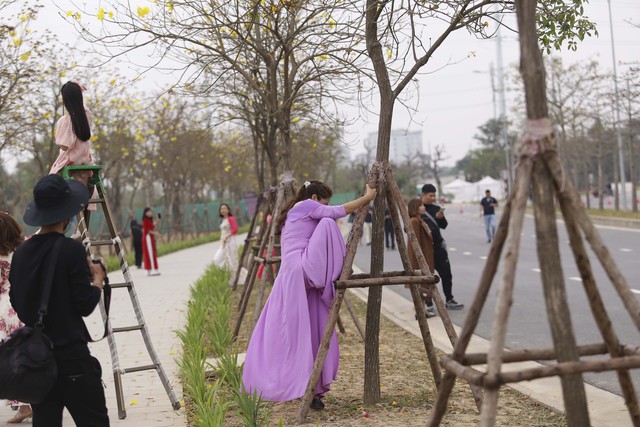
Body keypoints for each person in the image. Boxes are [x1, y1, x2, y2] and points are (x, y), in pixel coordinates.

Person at [243, 180, 376, 410]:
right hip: (300, 269)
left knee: (311, 329)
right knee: (328, 223)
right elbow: (337, 212)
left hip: (292, 275)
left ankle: (311, 387)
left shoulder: (295, 212)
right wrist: (368, 197)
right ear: (314, 198)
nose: (326, 206)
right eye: (324, 202)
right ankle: (335, 269)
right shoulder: (305, 205)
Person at [9, 174, 109, 427]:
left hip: (37, 364)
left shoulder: (20, 254)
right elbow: (86, 305)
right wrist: (97, 280)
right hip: (72, 359)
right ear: (67, 215)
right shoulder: (71, 250)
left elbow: (18, 306)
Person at [0, 212, 33, 424]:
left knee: (11, 361)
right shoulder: (27, 246)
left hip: (4, 310)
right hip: (26, 303)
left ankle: (24, 406)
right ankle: (33, 402)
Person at [421, 183, 464, 311]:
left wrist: (440, 218)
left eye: (434, 195)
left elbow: (444, 225)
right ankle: (428, 302)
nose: (433, 198)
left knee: (446, 274)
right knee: (427, 277)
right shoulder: (418, 208)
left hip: (439, 247)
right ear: (423, 195)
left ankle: (449, 299)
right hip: (425, 249)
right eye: (431, 195)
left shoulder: (436, 208)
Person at [49, 81, 94, 186]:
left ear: (66, 100)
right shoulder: (87, 116)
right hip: (85, 159)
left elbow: (64, 147)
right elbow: (83, 108)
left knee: (50, 180)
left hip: (71, 161)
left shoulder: (65, 121)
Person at [405, 199, 436, 319]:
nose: (424, 207)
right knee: (420, 285)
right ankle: (419, 311)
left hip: (423, 256)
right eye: (421, 206)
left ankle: (422, 311)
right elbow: (415, 242)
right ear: (415, 208)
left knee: (422, 285)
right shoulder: (414, 221)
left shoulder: (419, 220)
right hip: (418, 258)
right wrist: (420, 260)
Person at [218, 203, 239, 284]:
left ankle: (234, 279)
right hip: (224, 243)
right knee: (224, 259)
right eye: (221, 209)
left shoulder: (230, 218)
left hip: (230, 241)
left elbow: (235, 229)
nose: (223, 210)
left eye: (224, 208)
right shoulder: (223, 220)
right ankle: (229, 277)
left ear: (228, 210)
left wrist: (227, 236)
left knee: (232, 258)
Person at [142, 207, 161, 276]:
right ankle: (151, 269)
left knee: (152, 253)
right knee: (149, 254)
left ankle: (151, 269)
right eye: (149, 212)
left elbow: (152, 226)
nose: (150, 213)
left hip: (150, 238)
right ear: (145, 213)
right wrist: (156, 233)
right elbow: (147, 231)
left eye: (151, 212)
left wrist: (157, 220)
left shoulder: (148, 220)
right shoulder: (145, 220)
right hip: (147, 239)